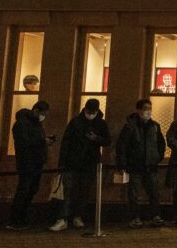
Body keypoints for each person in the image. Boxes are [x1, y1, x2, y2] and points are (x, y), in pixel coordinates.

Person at [51, 98, 111, 231]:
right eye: (89, 111)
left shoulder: (100, 123)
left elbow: (108, 140)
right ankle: (64, 218)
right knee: (68, 191)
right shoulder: (76, 122)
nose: (90, 114)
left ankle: (77, 216)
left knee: (84, 191)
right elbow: (66, 142)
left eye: (93, 112)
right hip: (72, 162)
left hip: (89, 163)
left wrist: (96, 139)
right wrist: (62, 163)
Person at [116, 98, 167, 228]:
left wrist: (157, 157)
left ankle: (155, 216)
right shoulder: (130, 126)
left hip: (151, 165)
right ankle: (135, 218)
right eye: (145, 109)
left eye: (149, 109)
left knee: (154, 193)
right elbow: (122, 145)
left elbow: (161, 143)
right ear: (138, 110)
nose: (148, 112)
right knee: (134, 194)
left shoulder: (155, 126)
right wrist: (122, 164)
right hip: (135, 166)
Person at [8, 100, 54, 230]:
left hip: (36, 161)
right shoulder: (22, 124)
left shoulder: (36, 124)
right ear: (36, 111)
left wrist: (45, 141)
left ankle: (22, 217)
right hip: (27, 162)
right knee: (24, 190)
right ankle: (16, 219)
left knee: (31, 189)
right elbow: (24, 142)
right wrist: (42, 141)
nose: (43, 116)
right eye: (43, 113)